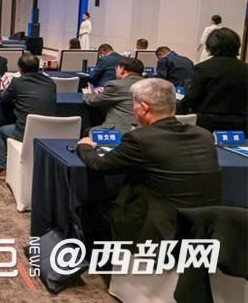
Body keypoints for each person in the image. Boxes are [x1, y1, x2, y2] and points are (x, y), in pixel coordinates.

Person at [76, 78, 221, 243]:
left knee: (91, 207)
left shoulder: (141, 139)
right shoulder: (204, 135)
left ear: (144, 108)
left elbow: (99, 165)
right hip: (205, 227)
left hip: (158, 228)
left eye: (134, 104)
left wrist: (85, 146)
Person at [0, 54, 56, 178]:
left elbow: (4, 99)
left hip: (24, 132)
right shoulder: (51, 83)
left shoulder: (17, 82)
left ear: (20, 69)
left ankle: (1, 169)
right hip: (48, 132)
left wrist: (1, 90)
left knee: (1, 132)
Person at [179, 27, 248, 132]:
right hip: (241, 126)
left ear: (210, 46)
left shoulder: (203, 68)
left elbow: (192, 99)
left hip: (208, 126)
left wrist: (176, 112)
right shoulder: (245, 69)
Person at [84, 57, 144, 133]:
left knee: (86, 131)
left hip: (121, 131)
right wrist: (106, 91)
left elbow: (93, 101)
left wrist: (88, 93)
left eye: (117, 68)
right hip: (145, 129)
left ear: (122, 69)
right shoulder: (150, 85)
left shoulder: (115, 85)